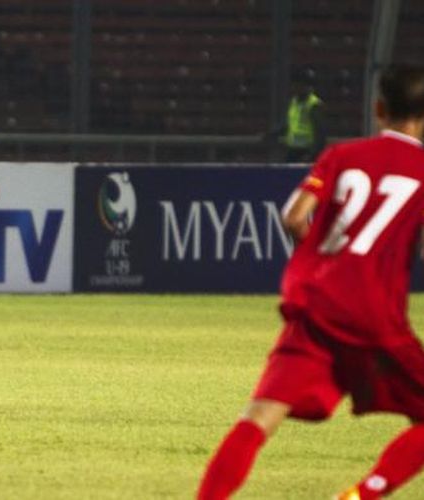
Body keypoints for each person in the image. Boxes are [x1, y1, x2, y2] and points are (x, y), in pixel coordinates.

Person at [198, 65, 424, 499]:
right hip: (376, 315)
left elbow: (294, 217)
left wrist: (324, 253)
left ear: (378, 109)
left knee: (258, 419)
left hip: (318, 304)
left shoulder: (342, 156)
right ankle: (365, 494)